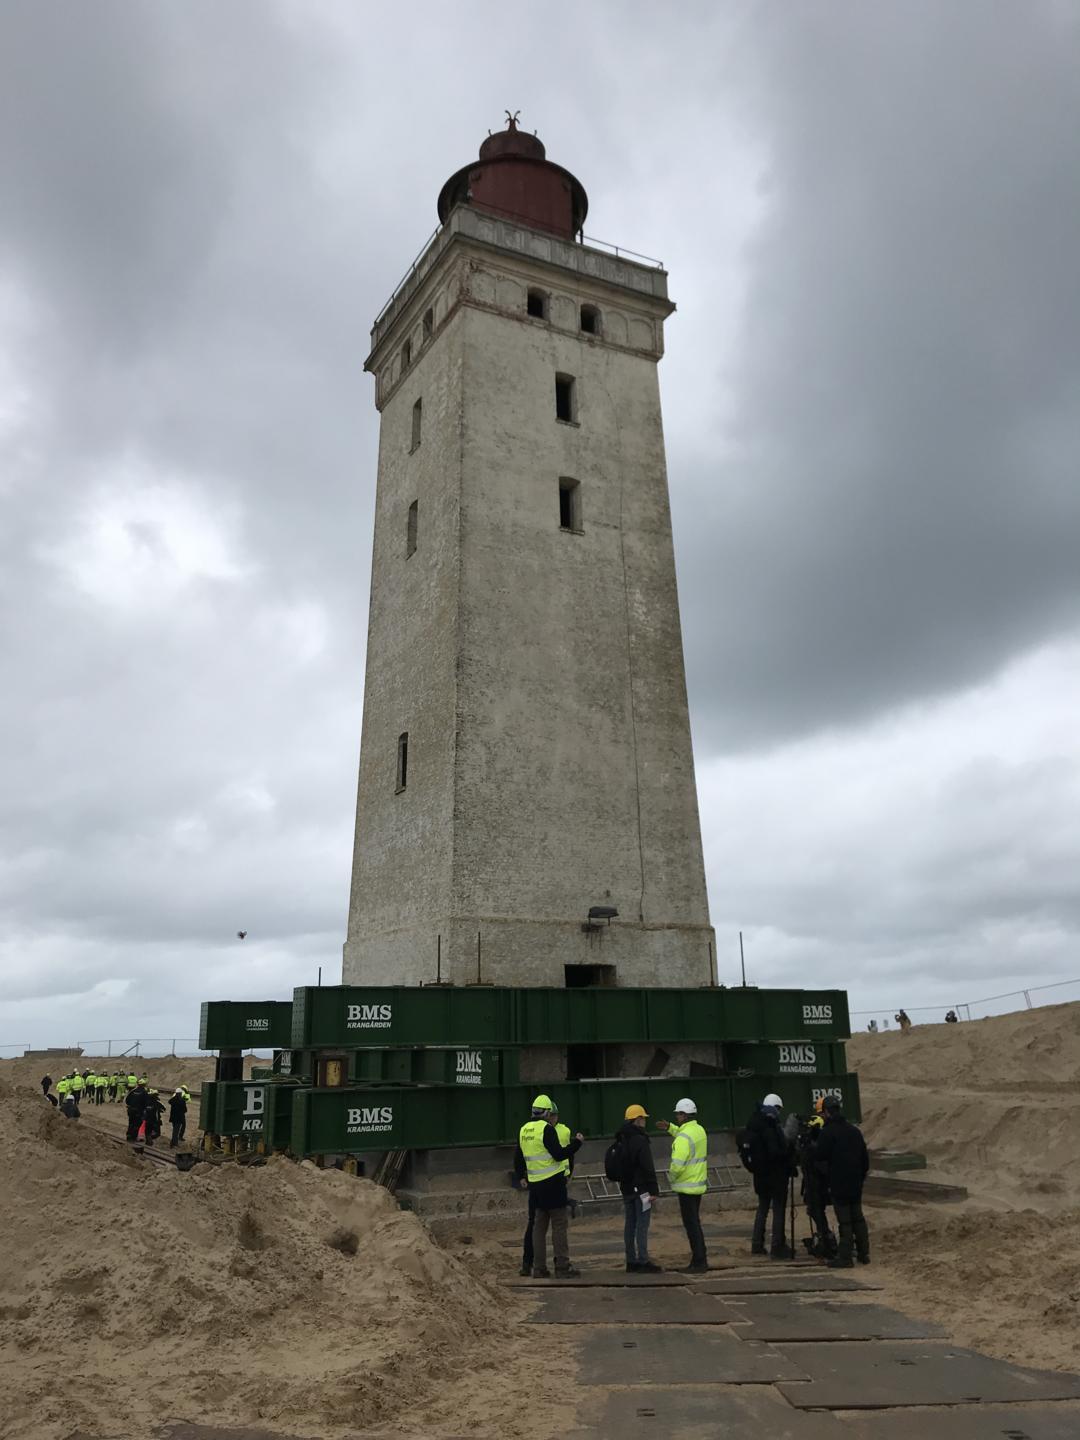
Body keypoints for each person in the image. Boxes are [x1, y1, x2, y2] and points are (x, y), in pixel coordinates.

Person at [517, 1094, 583, 1279]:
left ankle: (538, 1267)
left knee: (539, 1226)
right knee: (559, 1225)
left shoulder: (524, 1130)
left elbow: (520, 1156)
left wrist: (522, 1175)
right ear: (546, 1112)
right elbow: (559, 1154)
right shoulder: (546, 1129)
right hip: (553, 1184)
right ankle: (562, 1266)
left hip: (535, 1186)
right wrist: (577, 1143)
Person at [814, 1093, 870, 1268]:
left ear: (827, 1113)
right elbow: (865, 1159)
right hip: (855, 1182)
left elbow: (819, 1155)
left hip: (839, 1182)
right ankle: (863, 1253)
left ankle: (845, 1257)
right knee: (858, 1218)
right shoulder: (854, 1131)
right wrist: (860, 1177)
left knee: (845, 1221)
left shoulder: (828, 1132)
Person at [657, 1097, 709, 1273]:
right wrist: (671, 1128)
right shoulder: (699, 1130)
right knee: (696, 1222)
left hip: (686, 1187)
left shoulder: (683, 1138)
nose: (677, 1117)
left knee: (691, 1225)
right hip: (697, 1185)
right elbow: (684, 1134)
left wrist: (670, 1178)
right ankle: (701, 1258)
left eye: (678, 1114)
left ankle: (699, 1261)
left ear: (683, 1114)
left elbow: (677, 1164)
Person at [743, 1092, 794, 1259]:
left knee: (762, 1209)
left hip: (760, 1175)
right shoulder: (770, 1126)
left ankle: (757, 1244)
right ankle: (777, 1246)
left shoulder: (753, 1123)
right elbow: (775, 1152)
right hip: (776, 1176)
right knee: (778, 1210)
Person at [613, 1104, 661, 1273]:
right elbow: (648, 1166)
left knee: (630, 1225)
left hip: (626, 1188)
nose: (645, 1121)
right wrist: (654, 1189)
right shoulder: (640, 1140)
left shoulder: (620, 1139)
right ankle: (643, 1260)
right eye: (643, 1118)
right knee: (642, 1224)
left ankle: (631, 1260)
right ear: (638, 1119)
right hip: (642, 1190)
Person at [796, 1105, 836, 1260]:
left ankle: (825, 1236)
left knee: (816, 1209)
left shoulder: (818, 1145)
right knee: (815, 1210)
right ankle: (825, 1235)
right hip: (817, 1183)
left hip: (818, 1184)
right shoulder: (818, 1141)